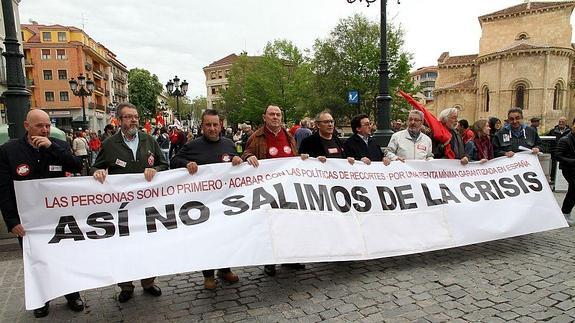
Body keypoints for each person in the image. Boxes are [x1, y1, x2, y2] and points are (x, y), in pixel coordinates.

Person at [0, 109, 85, 318]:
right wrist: (11, 221)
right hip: (29, 223)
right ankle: (42, 299)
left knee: (65, 258)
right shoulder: (9, 151)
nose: (45, 130)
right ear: (27, 126)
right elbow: (3, 189)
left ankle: (72, 295)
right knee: (37, 261)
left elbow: (77, 166)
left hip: (59, 219)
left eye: (47, 125)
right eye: (39, 126)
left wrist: (52, 147)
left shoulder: (59, 146)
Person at [91, 102, 168, 303]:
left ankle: (149, 282)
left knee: (148, 245)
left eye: (135, 116)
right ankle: (126, 286)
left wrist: (156, 170)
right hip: (122, 209)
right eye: (128, 117)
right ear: (119, 120)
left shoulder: (149, 140)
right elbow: (94, 168)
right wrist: (97, 172)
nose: (134, 120)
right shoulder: (109, 144)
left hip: (147, 206)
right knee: (124, 248)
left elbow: (164, 164)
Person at [171, 109, 242, 289]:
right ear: (202, 126)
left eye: (215, 125)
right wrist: (186, 163)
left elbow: (237, 163)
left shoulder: (229, 144)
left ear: (221, 126)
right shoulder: (192, 146)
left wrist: (237, 160)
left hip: (226, 202)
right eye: (208, 125)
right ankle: (208, 275)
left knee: (227, 237)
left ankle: (225, 270)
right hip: (204, 204)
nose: (212, 128)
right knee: (208, 240)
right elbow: (174, 160)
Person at [241, 105, 303, 276]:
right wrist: (248, 156)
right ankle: (269, 261)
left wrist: (301, 159)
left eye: (278, 114)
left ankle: (289, 258)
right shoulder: (257, 136)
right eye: (271, 114)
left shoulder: (289, 135)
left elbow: (295, 157)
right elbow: (246, 152)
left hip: (288, 188)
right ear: (264, 117)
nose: (275, 117)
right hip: (267, 189)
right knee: (269, 226)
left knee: (288, 224)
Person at [555, 118, 575, 226]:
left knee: (573, 191)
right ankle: (565, 213)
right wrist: (572, 161)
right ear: (572, 125)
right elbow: (558, 156)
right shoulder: (565, 140)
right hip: (569, 169)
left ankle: (566, 213)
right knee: (573, 189)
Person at [547, 117, 572, 184]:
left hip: (566, 153)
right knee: (553, 166)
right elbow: (548, 141)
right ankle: (553, 179)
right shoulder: (553, 131)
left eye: (562, 122)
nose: (560, 123)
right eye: (559, 122)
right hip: (554, 151)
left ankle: (563, 182)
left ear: (566, 123)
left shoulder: (570, 131)